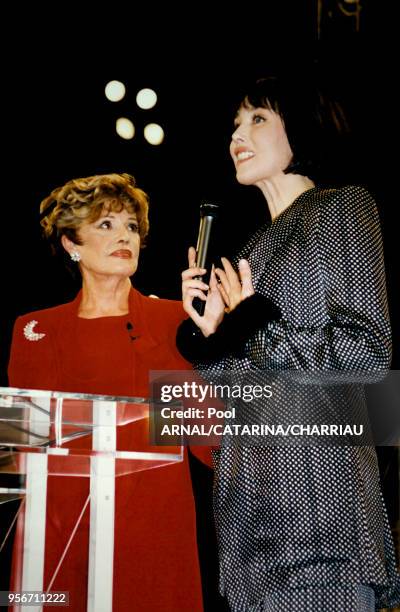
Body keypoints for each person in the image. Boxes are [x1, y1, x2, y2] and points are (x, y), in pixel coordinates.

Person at [177, 77, 400, 611]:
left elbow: (367, 351)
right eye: (235, 123)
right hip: (247, 529)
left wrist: (252, 324)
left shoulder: (340, 209)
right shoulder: (251, 247)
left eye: (257, 119)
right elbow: (253, 385)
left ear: (300, 131)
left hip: (323, 522)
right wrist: (211, 338)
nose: (238, 134)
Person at [8, 172, 210, 611]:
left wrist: (201, 338)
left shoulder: (175, 320)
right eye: (106, 225)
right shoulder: (33, 330)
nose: (125, 236)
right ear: (70, 243)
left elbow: (210, 444)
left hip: (152, 543)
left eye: (132, 226)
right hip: (62, 541)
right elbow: (23, 456)